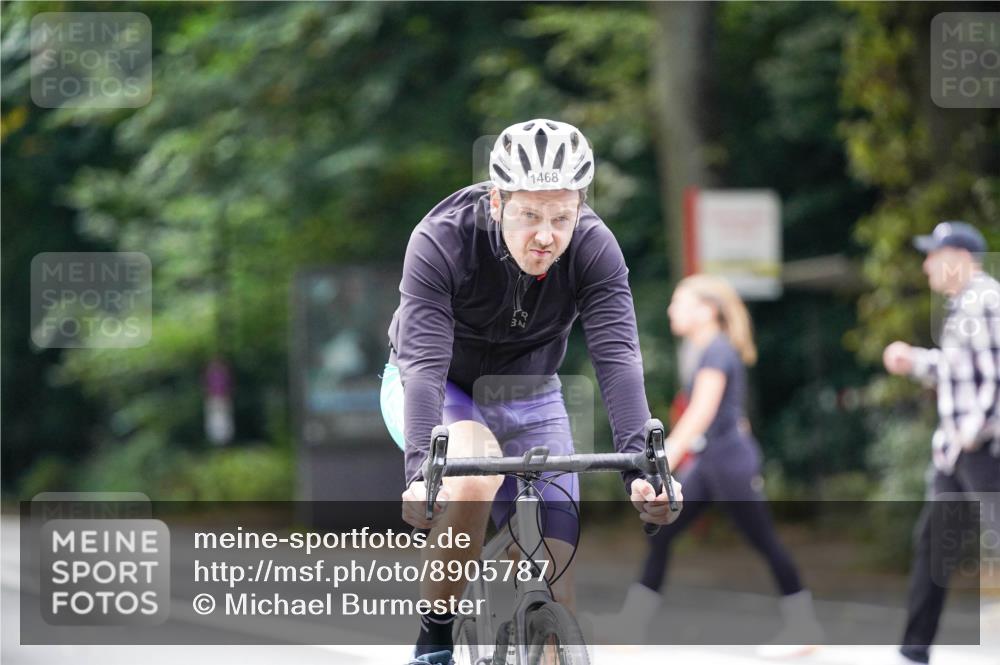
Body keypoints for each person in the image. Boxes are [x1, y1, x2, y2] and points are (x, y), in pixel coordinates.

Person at [380, 118, 684, 665]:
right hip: (441, 385)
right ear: (497, 203)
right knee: (473, 481)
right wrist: (420, 471)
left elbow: (617, 356)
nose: (546, 235)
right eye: (529, 215)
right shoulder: (441, 240)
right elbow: (424, 364)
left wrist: (643, 471)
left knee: (554, 579)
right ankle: (435, 638)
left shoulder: (595, 248)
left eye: (562, 217)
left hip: (531, 391)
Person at [590, 274, 822, 657]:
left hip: (729, 463)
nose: (671, 309)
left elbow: (701, 413)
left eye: (679, 302)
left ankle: (804, 625)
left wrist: (662, 461)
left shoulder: (716, 350)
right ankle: (630, 627)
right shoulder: (707, 350)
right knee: (662, 534)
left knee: (764, 540)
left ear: (707, 310)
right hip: (711, 460)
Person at [883, 221, 1000, 665]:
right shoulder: (965, 305)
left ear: (961, 259)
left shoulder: (986, 300)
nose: (927, 263)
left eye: (935, 254)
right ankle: (913, 651)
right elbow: (961, 370)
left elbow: (995, 378)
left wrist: (972, 434)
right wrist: (913, 360)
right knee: (933, 545)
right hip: (959, 452)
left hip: (982, 450)